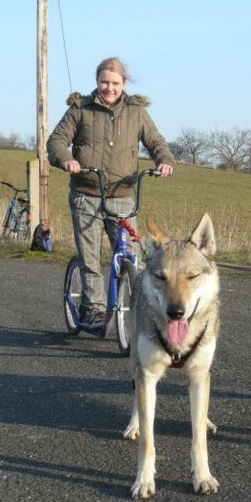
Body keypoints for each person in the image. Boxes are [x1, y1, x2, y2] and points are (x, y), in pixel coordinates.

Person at [47, 56, 174, 327]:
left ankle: (141, 310)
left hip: (123, 196)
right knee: (90, 257)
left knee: (133, 257)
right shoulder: (81, 108)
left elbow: (156, 141)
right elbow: (57, 140)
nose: (109, 88)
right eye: (104, 81)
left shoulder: (136, 111)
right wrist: (66, 159)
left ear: (123, 83)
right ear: (97, 81)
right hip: (86, 193)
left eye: (115, 83)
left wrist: (164, 161)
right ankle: (93, 307)